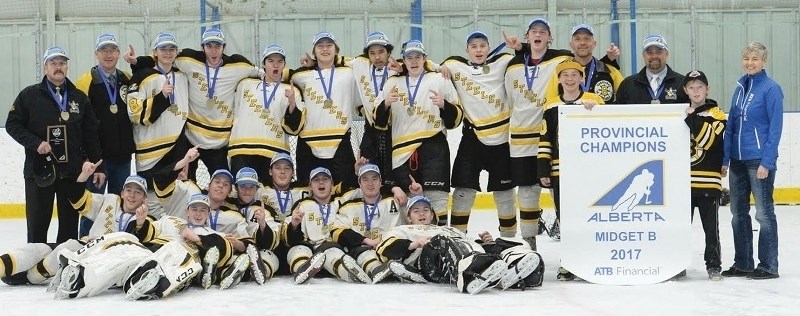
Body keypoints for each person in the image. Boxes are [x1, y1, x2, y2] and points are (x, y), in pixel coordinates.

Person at [125, 28, 262, 181]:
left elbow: (264, 74)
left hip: (220, 143)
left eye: (217, 46)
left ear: (224, 47)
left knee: (223, 184)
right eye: (209, 46)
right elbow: (161, 59)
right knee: (186, 184)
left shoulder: (239, 65)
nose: (213, 51)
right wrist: (137, 62)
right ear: (202, 47)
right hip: (190, 140)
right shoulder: (188, 61)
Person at [6, 46, 104, 243]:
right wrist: (35, 143)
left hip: (72, 172)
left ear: (67, 67)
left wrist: (96, 165)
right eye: (53, 63)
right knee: (37, 224)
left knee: (69, 228)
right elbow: (12, 124)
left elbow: (90, 134)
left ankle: (64, 266)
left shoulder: (79, 98)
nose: (58, 67)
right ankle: (34, 267)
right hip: (40, 171)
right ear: (45, 67)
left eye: (62, 63)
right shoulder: (29, 96)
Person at [439, 31, 518, 243]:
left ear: (489, 47)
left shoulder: (504, 61)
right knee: (464, 191)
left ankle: (509, 241)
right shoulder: (455, 65)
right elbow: (424, 66)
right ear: (467, 50)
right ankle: (457, 239)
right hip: (471, 138)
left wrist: (518, 47)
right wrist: (439, 68)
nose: (478, 50)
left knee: (505, 195)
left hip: (501, 141)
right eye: (473, 46)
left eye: (482, 45)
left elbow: (530, 62)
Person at [374, 40, 463, 226]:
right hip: (401, 152)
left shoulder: (439, 79)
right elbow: (379, 123)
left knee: (437, 201)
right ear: (403, 60)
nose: (414, 61)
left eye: (418, 57)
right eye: (409, 57)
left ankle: (441, 244)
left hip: (434, 147)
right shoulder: (392, 82)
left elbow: (456, 120)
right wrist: (386, 105)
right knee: (408, 202)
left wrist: (444, 105)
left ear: (425, 59)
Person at [377, 196, 544, 294]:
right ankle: (467, 277)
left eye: (426, 210)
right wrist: (413, 244)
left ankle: (513, 271)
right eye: (416, 211)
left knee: (504, 243)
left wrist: (486, 244)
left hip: (460, 256)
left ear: (433, 214)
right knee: (440, 241)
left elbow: (466, 244)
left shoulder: (449, 229)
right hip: (431, 265)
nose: (421, 213)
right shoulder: (403, 229)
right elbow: (382, 247)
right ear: (409, 217)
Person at [502, 18, 572, 246]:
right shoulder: (512, 66)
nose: (538, 34)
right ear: (527, 36)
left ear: (549, 38)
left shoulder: (560, 59)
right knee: (527, 190)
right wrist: (520, 51)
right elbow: (511, 101)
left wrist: (522, 48)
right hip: (521, 138)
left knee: (557, 184)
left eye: (543, 32)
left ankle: (565, 231)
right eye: (534, 31)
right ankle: (529, 241)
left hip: (549, 136)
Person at [721, 42, 783, 280]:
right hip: (737, 161)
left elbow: (775, 129)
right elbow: (731, 126)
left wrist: (766, 162)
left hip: (758, 161)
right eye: (747, 58)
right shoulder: (740, 88)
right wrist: (725, 158)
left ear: (764, 62)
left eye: (755, 59)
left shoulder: (771, 89)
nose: (750, 63)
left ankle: (768, 265)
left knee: (764, 215)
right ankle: (744, 263)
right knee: (738, 213)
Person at [537, 61, 604, 280]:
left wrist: (595, 113)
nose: (569, 79)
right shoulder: (551, 106)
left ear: (582, 78)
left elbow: (608, 130)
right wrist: (543, 169)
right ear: (558, 79)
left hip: (590, 172)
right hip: (561, 172)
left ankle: (593, 259)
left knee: (590, 216)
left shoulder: (594, 101)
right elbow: (545, 139)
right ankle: (570, 261)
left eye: (574, 74)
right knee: (565, 218)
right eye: (565, 75)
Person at [289, 32, 361, 191]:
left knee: (345, 190)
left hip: (340, 141)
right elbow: (278, 75)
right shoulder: (301, 75)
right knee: (307, 191)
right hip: (308, 144)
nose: (325, 49)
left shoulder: (349, 72)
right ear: (314, 52)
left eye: (329, 46)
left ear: (336, 50)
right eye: (320, 46)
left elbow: (366, 62)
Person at [332, 163, 422, 283]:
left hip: (394, 250)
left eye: (374, 179)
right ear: (359, 184)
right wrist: (365, 240)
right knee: (363, 252)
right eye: (365, 179)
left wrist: (419, 196)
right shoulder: (349, 207)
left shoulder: (396, 201)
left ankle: (400, 268)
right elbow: (337, 231)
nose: (370, 183)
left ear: (381, 182)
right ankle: (377, 270)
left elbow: (423, 216)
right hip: (364, 251)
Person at [126, 32, 192, 189]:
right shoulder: (142, 76)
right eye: (163, 49)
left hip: (177, 149)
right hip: (150, 155)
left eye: (171, 49)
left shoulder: (183, 76)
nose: (168, 53)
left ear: (177, 52)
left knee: (178, 200)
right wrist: (161, 97)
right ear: (155, 52)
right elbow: (135, 115)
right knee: (151, 202)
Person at [283, 167, 371, 284]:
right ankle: (302, 271)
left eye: (325, 179)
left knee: (332, 251)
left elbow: (371, 188)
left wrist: (394, 189)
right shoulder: (302, 205)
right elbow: (290, 238)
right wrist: (294, 225)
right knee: (297, 250)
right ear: (310, 186)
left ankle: (350, 274)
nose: (321, 182)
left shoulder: (342, 200)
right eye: (316, 180)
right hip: (310, 248)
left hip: (334, 248)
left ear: (332, 184)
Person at [228, 44, 304, 181]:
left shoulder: (292, 91)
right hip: (242, 150)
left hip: (275, 152)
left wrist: (292, 104)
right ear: (263, 64)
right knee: (243, 194)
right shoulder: (245, 84)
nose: (275, 65)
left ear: (284, 65)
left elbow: (294, 130)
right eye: (271, 61)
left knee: (269, 198)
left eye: (280, 61)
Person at [76, 33, 134, 195]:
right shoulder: (84, 82)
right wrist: (87, 157)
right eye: (103, 50)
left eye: (113, 50)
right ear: (96, 54)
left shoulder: (126, 79)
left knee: (119, 206)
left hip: (122, 158)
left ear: (118, 53)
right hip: (97, 159)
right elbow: (79, 124)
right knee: (93, 209)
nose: (108, 55)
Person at [682, 70, 726, 281]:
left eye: (700, 86)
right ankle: (678, 264)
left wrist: (691, 117)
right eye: (691, 87)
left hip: (709, 182)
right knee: (680, 228)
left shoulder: (717, 114)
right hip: (682, 183)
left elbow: (708, 140)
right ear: (685, 90)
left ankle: (714, 265)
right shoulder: (679, 111)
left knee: (711, 230)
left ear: (707, 89)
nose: (696, 91)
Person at [352, 32, 398, 191]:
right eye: (372, 53)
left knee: (393, 178)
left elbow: (422, 64)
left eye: (381, 52)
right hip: (370, 131)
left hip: (394, 131)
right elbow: (335, 60)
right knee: (368, 172)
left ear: (389, 53)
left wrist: (441, 67)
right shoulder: (360, 68)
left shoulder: (398, 70)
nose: (377, 57)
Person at [545, 23, 624, 103]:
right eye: (577, 39)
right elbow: (550, 102)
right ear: (571, 45)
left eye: (587, 39)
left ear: (594, 44)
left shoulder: (609, 70)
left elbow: (626, 96)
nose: (582, 43)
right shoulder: (561, 72)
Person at [615, 34, 688, 104]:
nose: (654, 56)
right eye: (649, 52)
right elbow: (617, 112)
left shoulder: (682, 83)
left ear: (666, 54)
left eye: (659, 52)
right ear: (643, 55)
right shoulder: (628, 85)